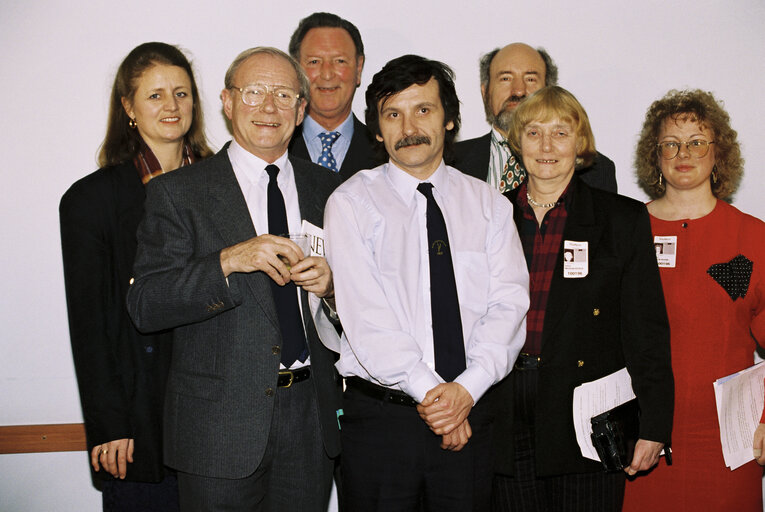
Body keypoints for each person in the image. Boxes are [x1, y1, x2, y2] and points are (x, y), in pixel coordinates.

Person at [125, 47, 343, 512]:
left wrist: (333, 290)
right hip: (216, 428)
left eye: (284, 95)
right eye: (254, 92)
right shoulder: (178, 192)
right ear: (227, 102)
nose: (269, 107)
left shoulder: (331, 190)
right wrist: (226, 261)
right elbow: (146, 304)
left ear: (301, 110)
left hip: (310, 421)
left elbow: (366, 302)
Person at [324, 54, 530, 511]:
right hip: (382, 425)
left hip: (473, 415)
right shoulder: (351, 203)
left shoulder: (490, 205)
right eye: (392, 114)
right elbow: (367, 318)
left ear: (450, 119)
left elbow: (510, 308)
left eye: (423, 109)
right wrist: (439, 401)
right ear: (377, 130)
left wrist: (465, 391)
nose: (408, 126)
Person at [493, 86, 673, 512]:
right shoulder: (490, 215)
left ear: (581, 143)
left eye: (560, 132)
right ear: (517, 144)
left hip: (587, 414)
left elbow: (646, 330)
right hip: (503, 407)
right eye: (534, 133)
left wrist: (655, 423)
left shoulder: (622, 220)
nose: (547, 146)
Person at [60, 42, 212, 511]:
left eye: (182, 93)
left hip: (219, 421)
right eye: (156, 95)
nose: (172, 106)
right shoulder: (91, 201)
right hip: (141, 423)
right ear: (128, 106)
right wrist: (109, 424)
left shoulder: (224, 185)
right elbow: (91, 325)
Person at [622, 89, 765, 511]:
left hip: (728, 443)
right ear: (656, 154)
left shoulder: (752, 237)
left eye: (697, 141)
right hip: (642, 439)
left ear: (718, 152)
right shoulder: (627, 230)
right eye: (671, 143)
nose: (684, 152)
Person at [451, 43, 617, 193]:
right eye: (505, 78)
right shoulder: (448, 162)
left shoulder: (597, 170)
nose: (518, 91)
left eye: (530, 79)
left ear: (549, 91)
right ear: (485, 92)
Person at [288, 12, 384, 179]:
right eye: (314, 62)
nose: (327, 74)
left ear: (359, 68)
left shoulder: (387, 151)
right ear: (296, 69)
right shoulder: (273, 148)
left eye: (340, 61)